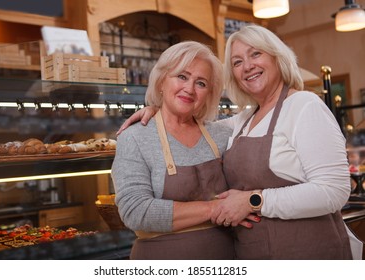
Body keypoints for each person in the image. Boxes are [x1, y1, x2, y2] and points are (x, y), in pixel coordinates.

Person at [116, 24, 363, 260]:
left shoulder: (304, 105)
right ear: (161, 81)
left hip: (306, 252)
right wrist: (154, 109)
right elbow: (135, 209)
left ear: (277, 57)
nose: (247, 66)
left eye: (256, 53)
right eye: (237, 62)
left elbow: (335, 190)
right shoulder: (242, 122)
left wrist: (252, 200)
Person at [111, 41, 258, 260]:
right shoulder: (135, 137)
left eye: (201, 83)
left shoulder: (222, 134)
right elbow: (136, 212)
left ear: (209, 93)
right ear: (161, 80)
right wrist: (214, 209)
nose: (189, 89)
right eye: (182, 77)